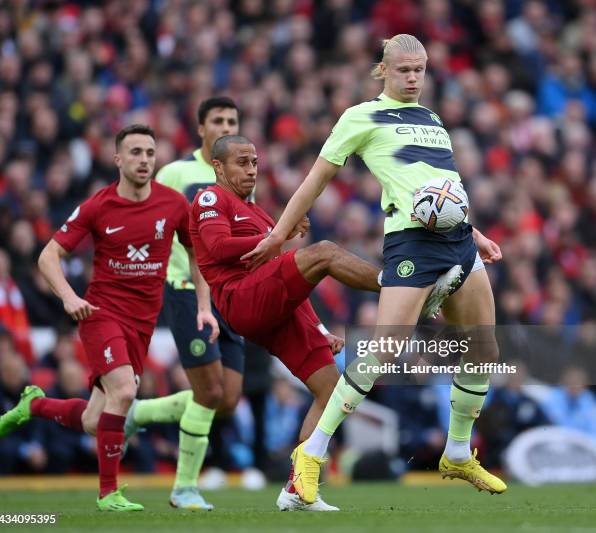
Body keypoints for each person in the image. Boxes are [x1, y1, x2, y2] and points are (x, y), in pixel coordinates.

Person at [242, 34, 506, 504]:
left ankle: (459, 452)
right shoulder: (359, 117)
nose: (412, 77)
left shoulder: (431, 118)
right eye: (403, 70)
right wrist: (279, 234)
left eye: (419, 69)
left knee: (483, 346)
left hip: (459, 241)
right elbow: (314, 180)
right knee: (385, 350)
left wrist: (476, 231)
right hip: (414, 245)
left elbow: (443, 185)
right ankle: (312, 453)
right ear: (383, 71)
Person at [0, 124, 218, 512]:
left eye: (149, 153)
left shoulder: (173, 204)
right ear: (117, 159)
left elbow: (198, 256)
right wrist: (68, 297)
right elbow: (48, 256)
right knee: (126, 394)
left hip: (142, 323)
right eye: (135, 152)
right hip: (101, 315)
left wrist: (203, 307)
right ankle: (108, 493)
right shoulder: (99, 205)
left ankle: (35, 406)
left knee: (96, 422)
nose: (144, 160)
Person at [189, 133, 381, 510]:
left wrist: (322, 331)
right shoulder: (210, 199)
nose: (251, 169)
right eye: (241, 162)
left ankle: (297, 489)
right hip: (240, 299)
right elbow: (216, 248)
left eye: (255, 162)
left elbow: (287, 283)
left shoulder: (259, 214)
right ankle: (395, 285)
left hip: (271, 307)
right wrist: (274, 236)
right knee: (324, 252)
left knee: (331, 390)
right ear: (218, 166)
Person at [122, 97, 250, 510]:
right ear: (201, 128)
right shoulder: (177, 172)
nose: (225, 126)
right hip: (184, 287)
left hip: (229, 294)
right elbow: (150, 218)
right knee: (209, 390)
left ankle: (137, 415)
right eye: (218, 120)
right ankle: (184, 488)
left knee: (227, 399)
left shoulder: (238, 175)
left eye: (232, 120)